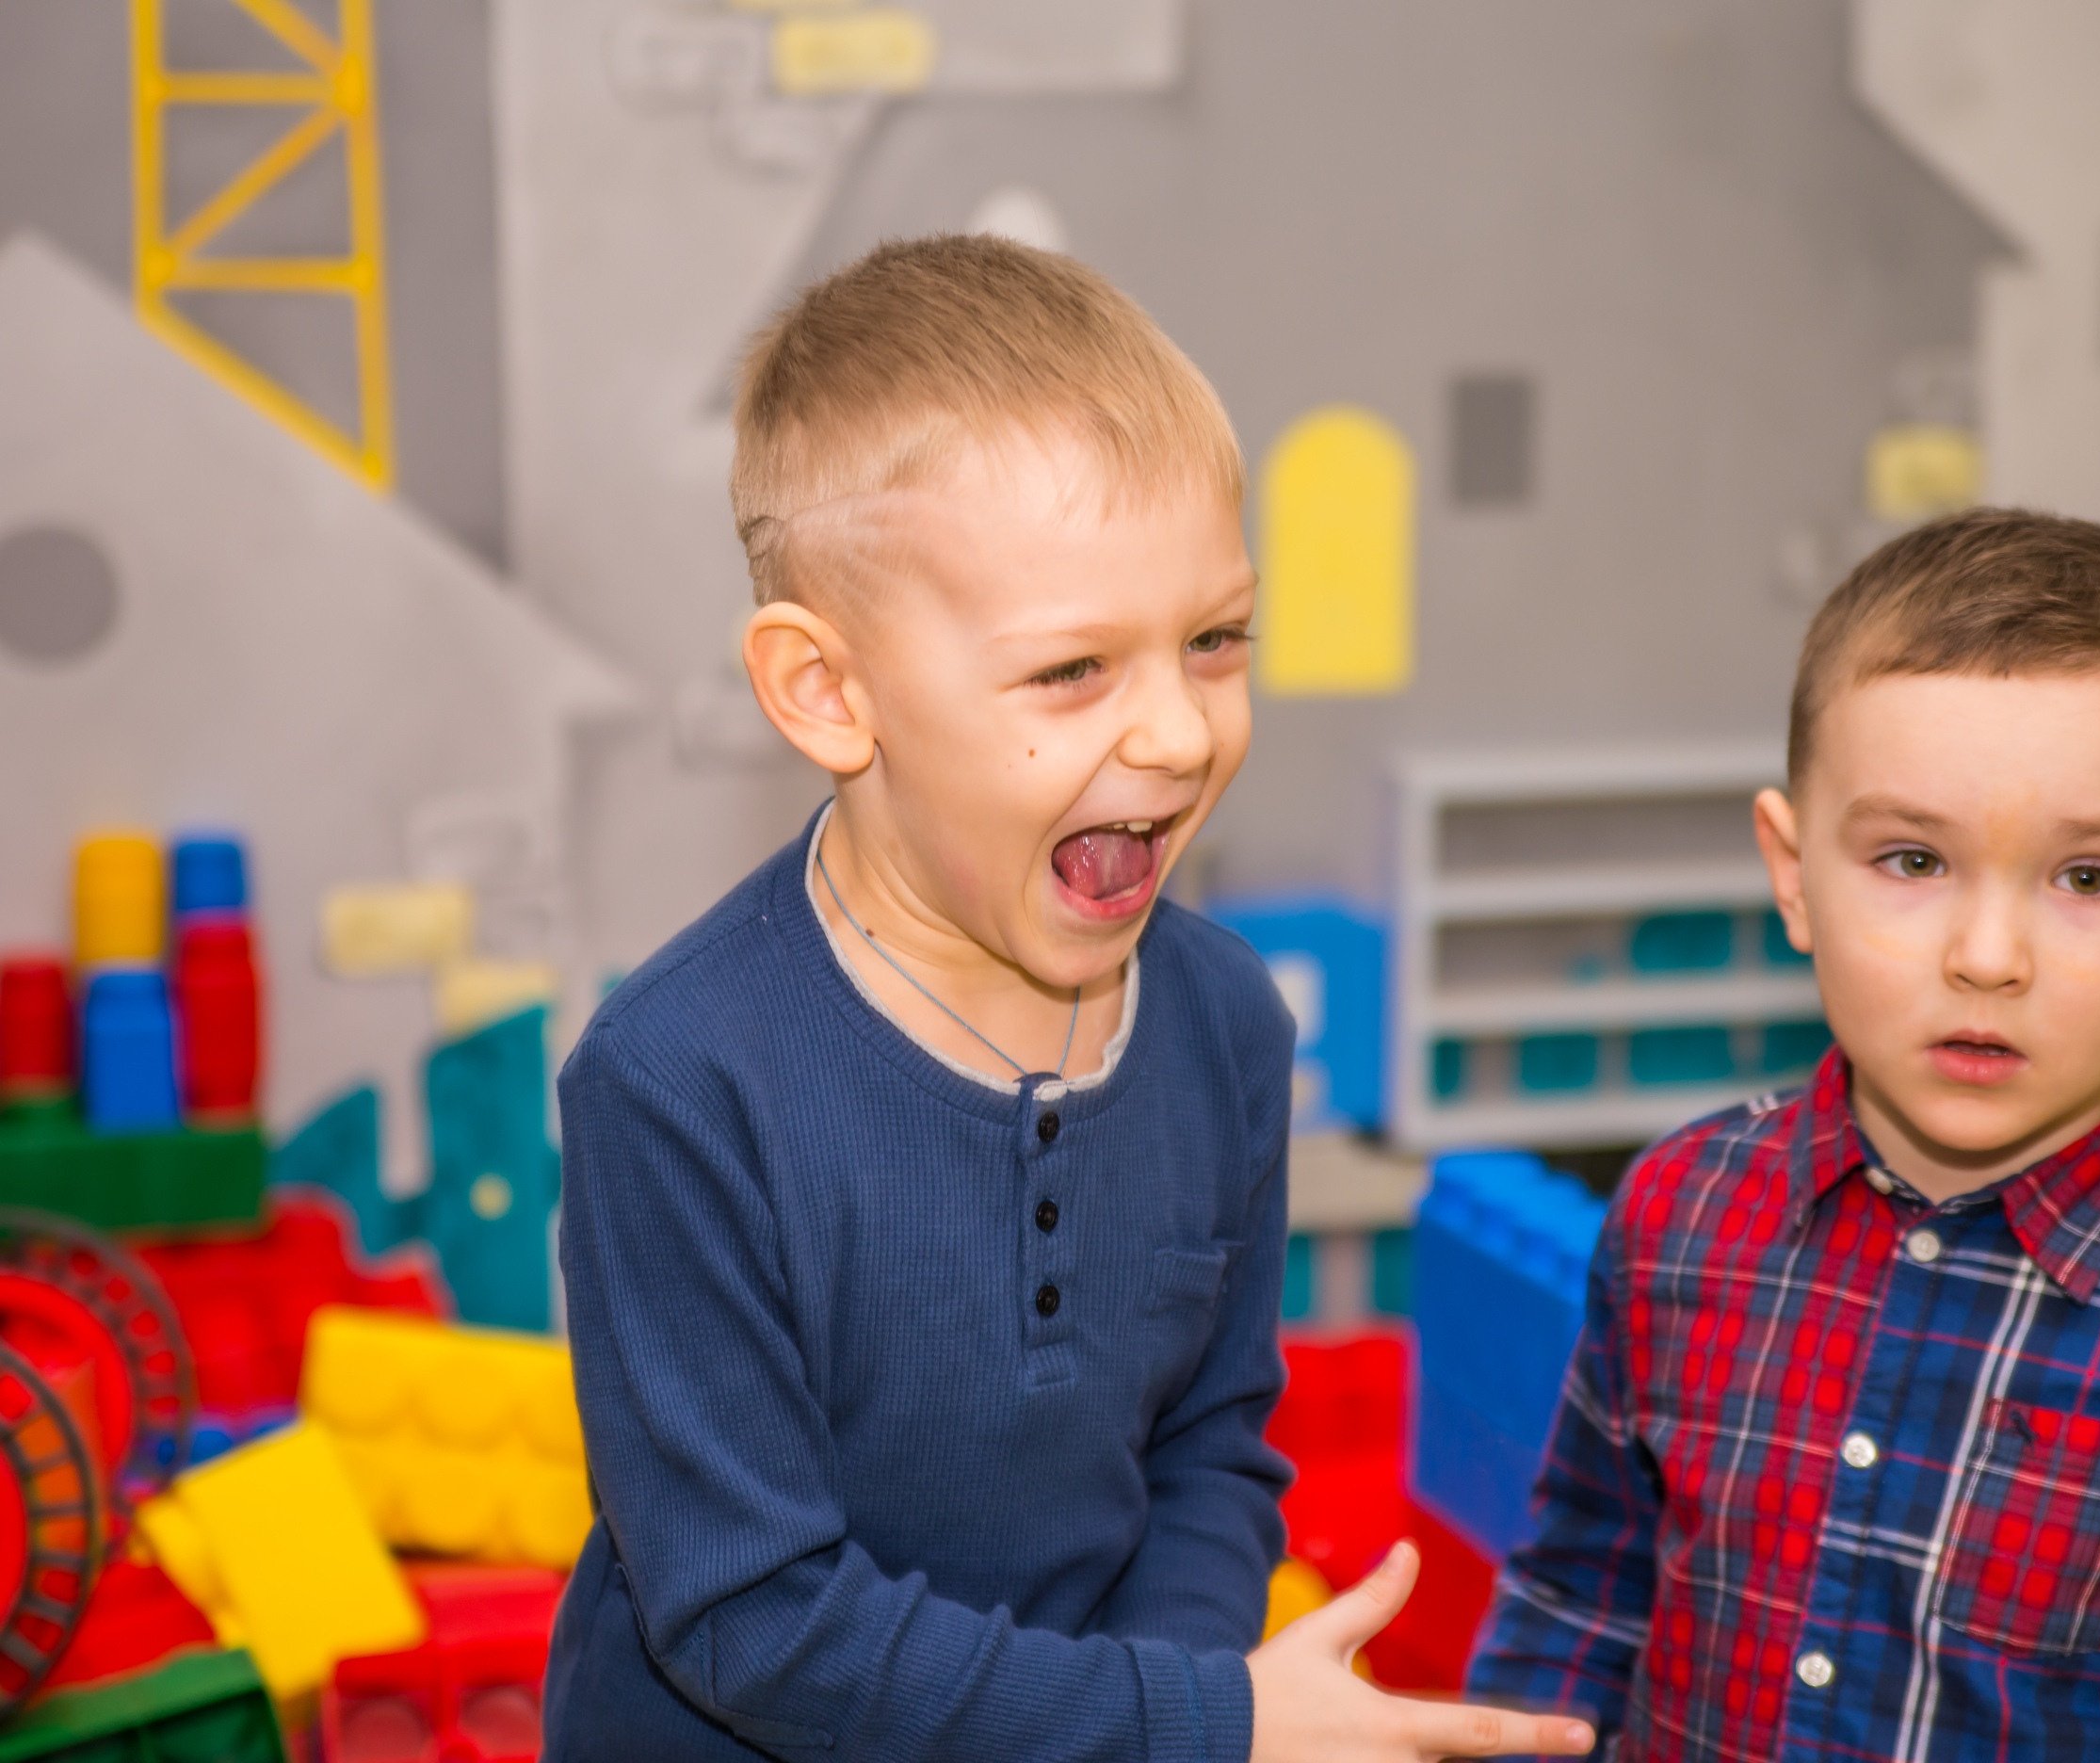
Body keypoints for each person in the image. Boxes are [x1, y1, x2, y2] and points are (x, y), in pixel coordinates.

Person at [542, 234, 1594, 1763]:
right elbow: (751, 1618)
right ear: (830, 693)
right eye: (1073, 672)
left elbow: (1207, 1444)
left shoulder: (1227, 1023)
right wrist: (1193, 1726)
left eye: (1216, 640)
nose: (1176, 732)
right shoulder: (680, 1080)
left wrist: (1168, 1718)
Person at [1467, 508, 2100, 1760]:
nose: (1986, 958)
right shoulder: (1678, 1214)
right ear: (1795, 873)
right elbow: (1577, 1593)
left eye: (2088, 879)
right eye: (1913, 860)